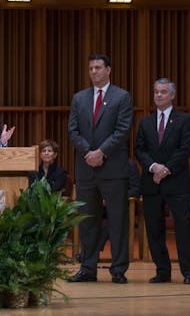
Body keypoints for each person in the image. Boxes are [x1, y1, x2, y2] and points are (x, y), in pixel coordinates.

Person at [67, 54, 133, 284]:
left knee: (117, 221)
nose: (94, 72)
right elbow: (73, 131)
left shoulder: (122, 97)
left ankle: (118, 269)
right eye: (91, 68)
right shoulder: (79, 98)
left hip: (113, 169)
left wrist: (101, 152)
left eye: (98, 68)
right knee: (87, 221)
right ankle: (88, 268)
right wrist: (88, 152)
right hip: (86, 169)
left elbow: (122, 130)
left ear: (108, 70)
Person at [134, 78, 190, 284]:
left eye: (163, 92)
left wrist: (166, 169)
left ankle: (189, 272)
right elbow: (139, 150)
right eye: (156, 92)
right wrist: (154, 167)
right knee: (154, 229)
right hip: (151, 182)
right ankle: (162, 271)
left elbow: (185, 149)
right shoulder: (145, 122)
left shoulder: (184, 120)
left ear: (172, 95)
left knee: (182, 227)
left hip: (176, 181)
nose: (158, 95)